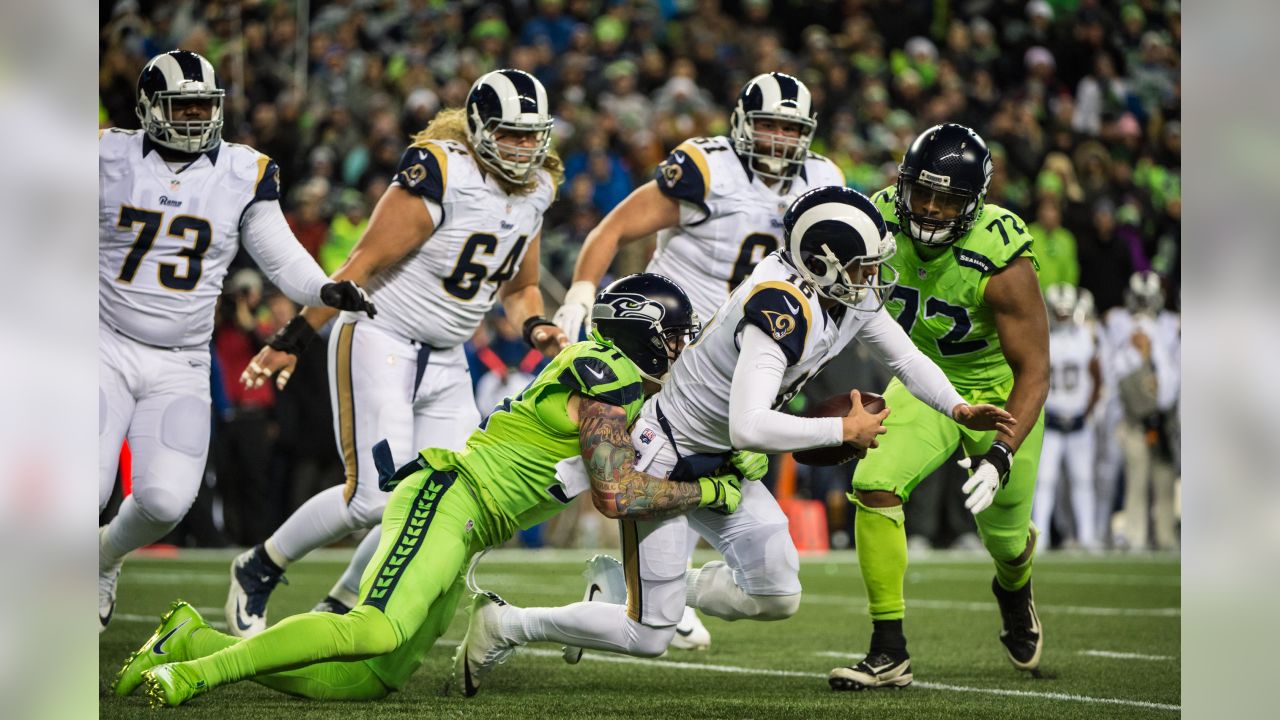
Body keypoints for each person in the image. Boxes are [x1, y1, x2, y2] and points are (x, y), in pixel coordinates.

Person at [460, 186, 1014, 694]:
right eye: (863, 265)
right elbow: (750, 423)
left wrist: (957, 406)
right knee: (649, 634)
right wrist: (842, 430)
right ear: (823, 262)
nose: (873, 275)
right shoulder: (779, 308)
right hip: (667, 452)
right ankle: (507, 624)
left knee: (777, 593)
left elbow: (906, 356)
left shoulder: (842, 291)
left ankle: (626, 584)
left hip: (719, 454)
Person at [114, 275, 758, 706]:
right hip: (453, 497)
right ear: (641, 330)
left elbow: (638, 466)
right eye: (673, 336)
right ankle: (196, 673)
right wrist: (711, 493)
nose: (679, 349)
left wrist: (719, 463)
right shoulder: (607, 375)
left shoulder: (616, 377)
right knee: (374, 628)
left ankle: (190, 639)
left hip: (471, 523)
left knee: (365, 680)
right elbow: (616, 493)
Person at [226, 69, 570, 637]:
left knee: (438, 500)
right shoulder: (442, 171)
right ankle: (259, 566)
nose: (524, 148)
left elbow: (519, 288)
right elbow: (358, 265)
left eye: (533, 135)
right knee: (370, 499)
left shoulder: (538, 190)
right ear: (481, 129)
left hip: (447, 355)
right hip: (381, 336)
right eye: (510, 134)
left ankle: (341, 603)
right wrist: (294, 338)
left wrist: (535, 326)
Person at [551, 71, 845, 649]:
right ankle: (640, 594)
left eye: (792, 128)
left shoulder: (824, 179)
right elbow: (613, 228)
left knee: (693, 465)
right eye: (769, 125)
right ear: (741, 124)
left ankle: (641, 591)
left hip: (746, 360)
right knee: (644, 464)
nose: (780, 140)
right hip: (671, 353)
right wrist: (580, 294)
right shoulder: (708, 168)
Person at [98, 50, 375, 634]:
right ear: (148, 107)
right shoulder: (106, 156)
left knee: (166, 503)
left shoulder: (243, 171)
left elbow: (280, 254)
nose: (197, 116)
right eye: (183, 104)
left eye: (205, 103)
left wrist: (325, 288)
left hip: (182, 360)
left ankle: (101, 559)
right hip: (102, 342)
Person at [829, 123, 1050, 691]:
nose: (927, 209)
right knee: (874, 481)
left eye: (946, 199)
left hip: (999, 396)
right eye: (920, 192)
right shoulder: (873, 223)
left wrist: (1001, 452)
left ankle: (1014, 584)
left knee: (1003, 537)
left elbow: (1036, 370)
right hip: (924, 382)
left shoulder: (999, 260)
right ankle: (888, 650)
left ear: (973, 204)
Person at [1104, 271, 1179, 550]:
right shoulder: (1121, 322)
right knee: (1136, 480)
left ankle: (1166, 537)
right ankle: (1134, 538)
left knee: (1164, 481)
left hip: (1163, 419)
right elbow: (1118, 372)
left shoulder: (1170, 324)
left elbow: (1172, 376)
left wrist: (1163, 405)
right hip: (1134, 418)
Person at [1033, 284, 1102, 549]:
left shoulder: (1087, 336)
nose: (1062, 317)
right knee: (1044, 482)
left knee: (1083, 481)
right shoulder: (1040, 336)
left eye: (1065, 312)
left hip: (1078, 421)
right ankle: (1040, 540)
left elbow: (1097, 377)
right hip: (1050, 420)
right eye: (1057, 312)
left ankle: (1087, 537)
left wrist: (1088, 410)